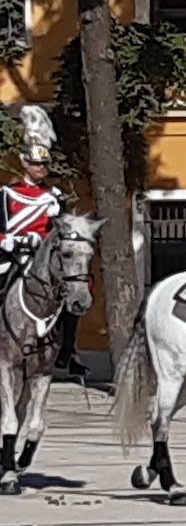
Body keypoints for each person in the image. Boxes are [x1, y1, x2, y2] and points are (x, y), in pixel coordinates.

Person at [1, 107, 87, 378]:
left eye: (44, 164)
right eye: (36, 163)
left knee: (74, 290)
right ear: (25, 164)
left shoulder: (55, 196)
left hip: (46, 256)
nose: (41, 168)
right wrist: (8, 240)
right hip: (12, 255)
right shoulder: (7, 193)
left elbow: (64, 232)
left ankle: (68, 350)